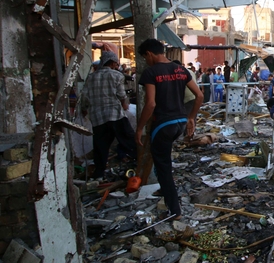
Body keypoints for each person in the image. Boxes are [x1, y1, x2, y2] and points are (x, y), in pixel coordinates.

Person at [136, 39, 203, 219]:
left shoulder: (151, 72)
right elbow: (199, 95)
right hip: (180, 122)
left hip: (163, 125)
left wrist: (139, 128)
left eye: (145, 57)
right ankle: (166, 192)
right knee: (164, 162)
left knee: (163, 167)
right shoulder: (181, 70)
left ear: (149, 53)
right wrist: (191, 118)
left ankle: (174, 210)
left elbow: (150, 104)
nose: (146, 61)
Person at [79, 51, 136, 179]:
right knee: (129, 140)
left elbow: (85, 97)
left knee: (100, 146)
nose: (117, 65)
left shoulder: (91, 77)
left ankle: (99, 173)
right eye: (116, 63)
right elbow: (121, 95)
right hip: (115, 114)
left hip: (98, 117)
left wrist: (84, 109)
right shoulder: (116, 75)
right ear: (112, 63)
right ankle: (139, 164)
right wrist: (124, 104)